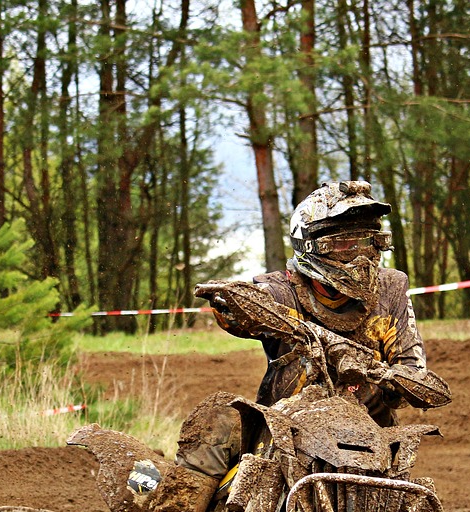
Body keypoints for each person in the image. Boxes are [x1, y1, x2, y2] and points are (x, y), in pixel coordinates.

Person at [175, 180, 451, 489]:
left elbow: (414, 371)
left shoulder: (391, 288)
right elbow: (235, 312)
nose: (360, 256)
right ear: (312, 245)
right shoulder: (278, 290)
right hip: (287, 429)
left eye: (370, 242)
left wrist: (392, 377)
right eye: (346, 245)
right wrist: (250, 307)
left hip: (368, 434)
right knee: (218, 421)